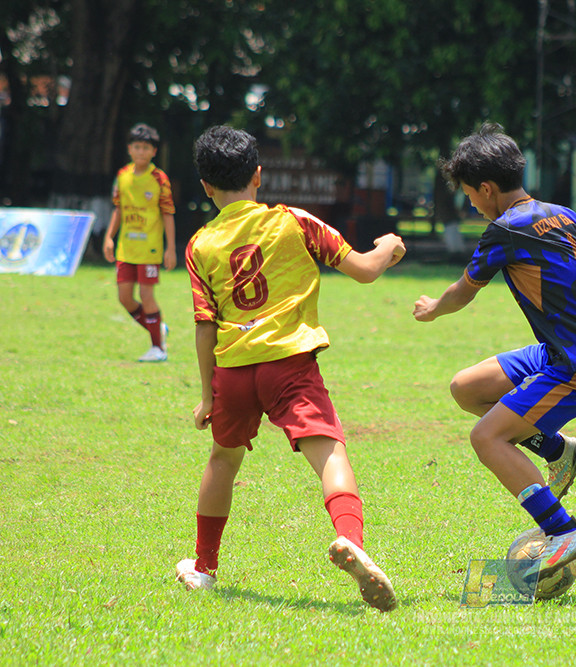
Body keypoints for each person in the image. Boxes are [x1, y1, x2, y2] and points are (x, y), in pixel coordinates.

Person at [176, 125, 406, 612]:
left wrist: (208, 395)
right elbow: (365, 269)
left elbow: (204, 325)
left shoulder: (199, 245)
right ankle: (351, 541)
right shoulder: (294, 222)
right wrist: (389, 246)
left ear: (206, 187)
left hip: (233, 369)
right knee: (330, 454)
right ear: (258, 175)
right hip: (290, 364)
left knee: (222, 461)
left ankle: (204, 567)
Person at [412, 122, 576, 583]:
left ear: (487, 188)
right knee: (467, 389)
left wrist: (434, 308)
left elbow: (464, 291)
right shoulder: (561, 214)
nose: (471, 205)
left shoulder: (506, 229)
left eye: (470, 196)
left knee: (487, 438)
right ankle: (560, 450)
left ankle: (564, 531)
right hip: (562, 352)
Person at [102, 123, 176, 362]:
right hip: (126, 248)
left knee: (146, 295)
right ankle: (157, 328)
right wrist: (109, 237)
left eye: (146, 147)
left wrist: (171, 248)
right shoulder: (122, 176)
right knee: (124, 297)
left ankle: (158, 349)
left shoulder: (159, 179)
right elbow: (118, 209)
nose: (141, 151)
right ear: (129, 149)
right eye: (137, 147)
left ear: (154, 151)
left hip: (149, 249)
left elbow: (168, 213)